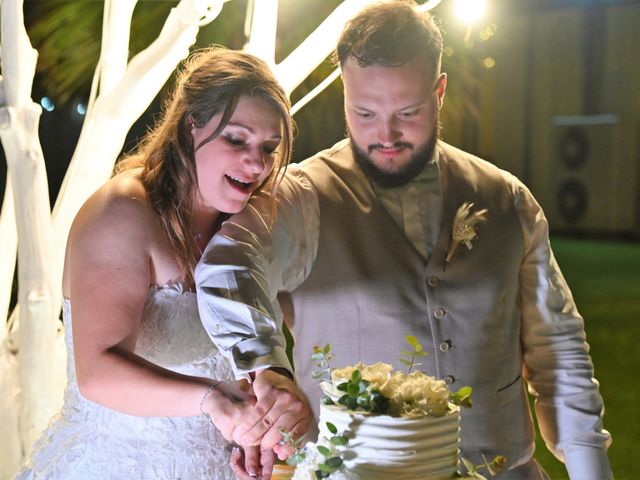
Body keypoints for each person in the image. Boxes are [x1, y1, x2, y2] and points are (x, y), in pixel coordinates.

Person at [195, 2, 613, 479]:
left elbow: (558, 348)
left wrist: (590, 468)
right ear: (345, 94)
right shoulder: (301, 198)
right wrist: (266, 366)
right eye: (365, 112)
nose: (386, 135)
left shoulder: (506, 198)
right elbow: (229, 266)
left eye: (407, 112)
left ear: (439, 91)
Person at [15, 46, 311, 480]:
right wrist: (212, 399)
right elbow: (96, 374)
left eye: (269, 147)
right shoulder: (121, 214)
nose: (257, 163)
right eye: (236, 138)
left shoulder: (250, 225)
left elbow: (258, 345)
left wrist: (257, 433)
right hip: (116, 465)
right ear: (191, 123)